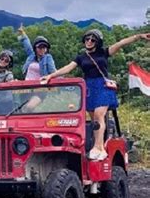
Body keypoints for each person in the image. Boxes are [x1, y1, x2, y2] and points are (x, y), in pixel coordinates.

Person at [41, 29, 150, 160]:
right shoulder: (81, 58)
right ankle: (100, 146)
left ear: (97, 42)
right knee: (95, 121)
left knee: (99, 115)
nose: (89, 41)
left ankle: (98, 147)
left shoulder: (104, 52)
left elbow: (121, 43)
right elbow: (67, 68)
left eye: (93, 40)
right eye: (87, 39)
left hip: (103, 86)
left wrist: (139, 36)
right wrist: (51, 75)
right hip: (89, 88)